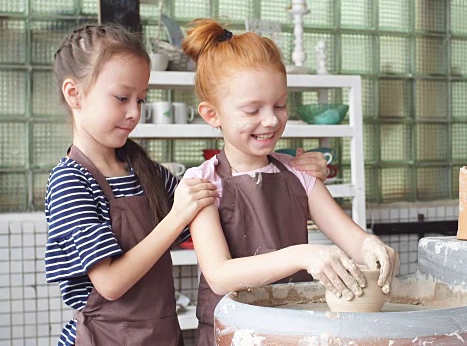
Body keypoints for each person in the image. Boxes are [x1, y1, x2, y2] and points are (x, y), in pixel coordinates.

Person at [44, 23, 329, 346]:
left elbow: (219, 201)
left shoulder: (143, 171)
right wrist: (177, 216)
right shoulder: (71, 181)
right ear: (74, 94)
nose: (134, 113)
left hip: (161, 337)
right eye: (122, 98)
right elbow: (109, 282)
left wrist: (298, 169)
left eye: (141, 99)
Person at [180, 18, 400, 345]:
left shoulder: (299, 174)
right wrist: (303, 255)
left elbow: (352, 239)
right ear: (212, 115)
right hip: (231, 335)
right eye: (252, 110)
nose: (270, 120)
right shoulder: (203, 182)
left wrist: (371, 246)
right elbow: (220, 276)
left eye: (280, 105)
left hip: (295, 333)